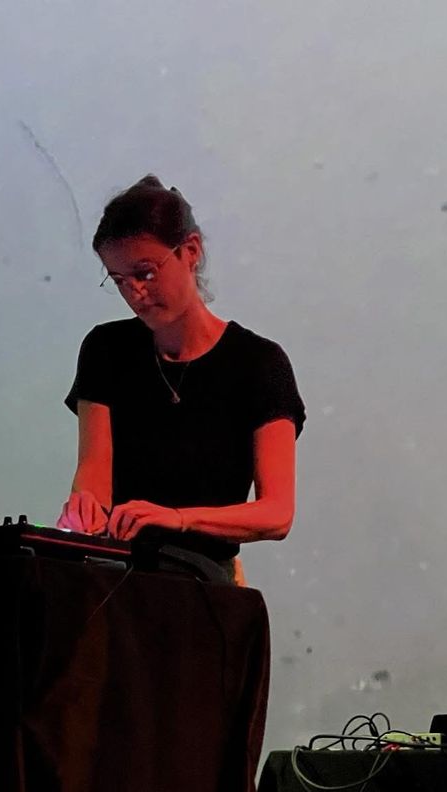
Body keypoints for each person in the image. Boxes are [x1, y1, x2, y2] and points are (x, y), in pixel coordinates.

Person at [57, 175, 305, 585]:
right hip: (119, 578)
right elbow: (94, 478)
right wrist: (84, 511)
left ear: (190, 251)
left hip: (202, 583)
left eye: (146, 273)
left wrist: (178, 519)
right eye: (118, 280)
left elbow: (276, 514)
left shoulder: (259, 363)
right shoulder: (105, 350)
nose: (135, 292)